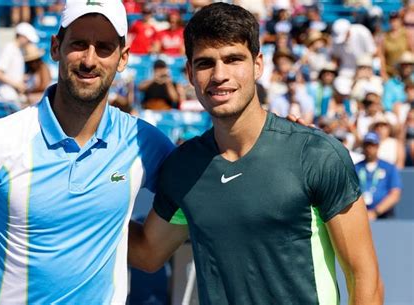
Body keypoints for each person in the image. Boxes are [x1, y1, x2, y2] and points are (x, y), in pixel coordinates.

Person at [129, 3, 383, 305]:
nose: (219, 74)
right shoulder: (184, 167)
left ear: (258, 64)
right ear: (189, 72)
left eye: (233, 59)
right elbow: (147, 253)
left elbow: (364, 277)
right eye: (205, 63)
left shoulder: (315, 154)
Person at [0, 1, 175, 303]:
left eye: (104, 47)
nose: (90, 60)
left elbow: (193, 190)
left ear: (123, 58)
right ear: (55, 47)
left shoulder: (144, 141)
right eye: (79, 44)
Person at [355, 132, 402, 220]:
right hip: (360, 215)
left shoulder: (389, 167)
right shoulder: (356, 168)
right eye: (366, 145)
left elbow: (395, 194)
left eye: (372, 145)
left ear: (377, 146)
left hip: (384, 215)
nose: (369, 148)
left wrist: (376, 212)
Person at [0, 22, 38, 107]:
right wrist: (17, 84)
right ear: (22, 36)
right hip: (6, 98)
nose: (29, 42)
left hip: (12, 98)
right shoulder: (9, 48)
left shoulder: (18, 51)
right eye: (28, 39)